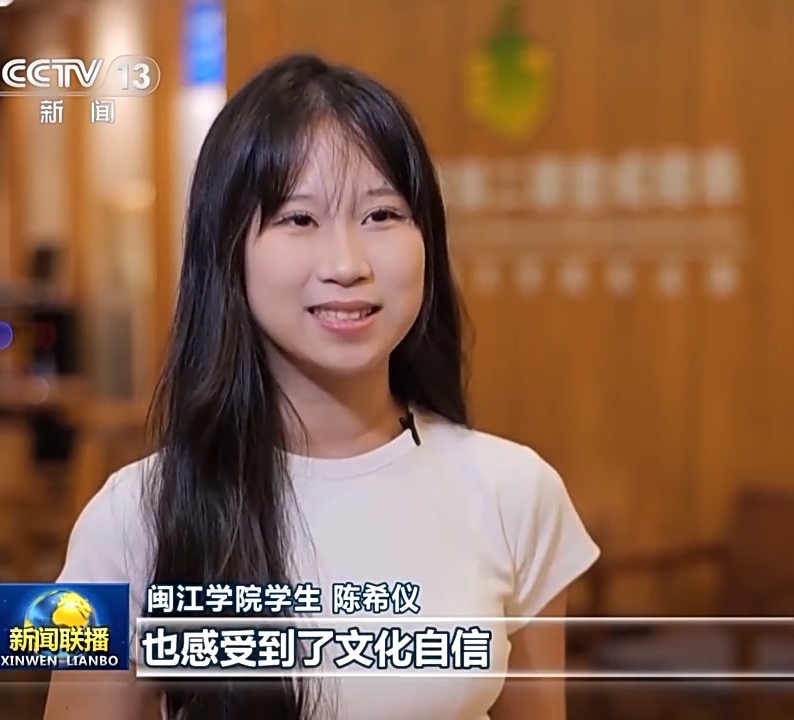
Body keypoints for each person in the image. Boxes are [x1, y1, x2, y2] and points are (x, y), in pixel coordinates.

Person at [43, 53, 600, 720]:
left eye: (382, 215)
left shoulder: (516, 493)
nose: (346, 264)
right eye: (299, 219)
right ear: (227, 251)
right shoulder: (131, 518)